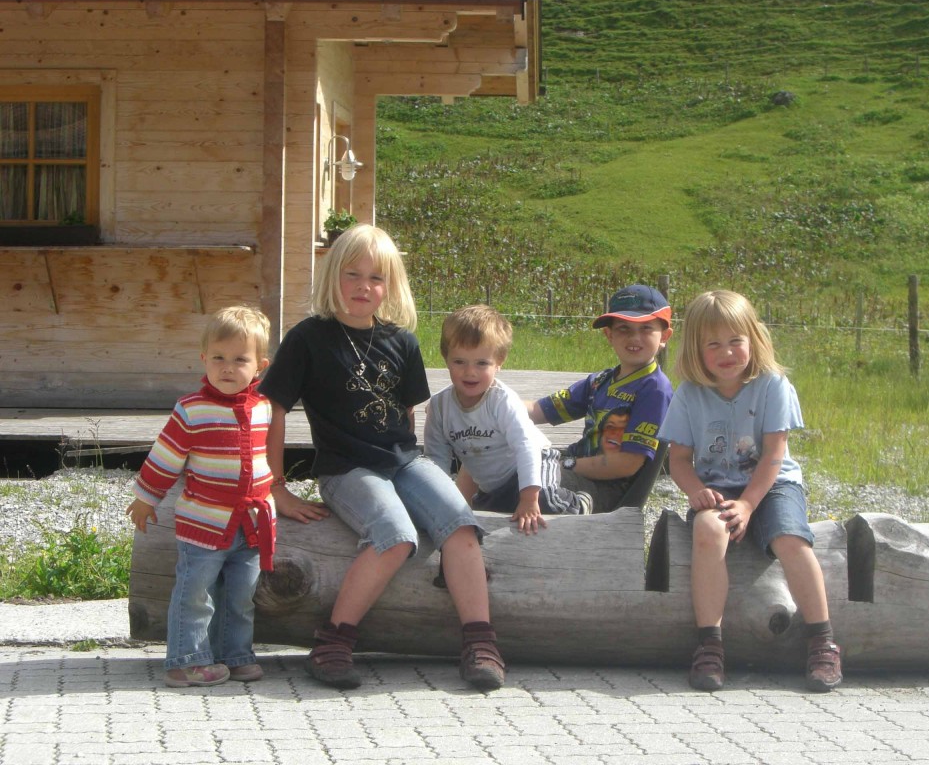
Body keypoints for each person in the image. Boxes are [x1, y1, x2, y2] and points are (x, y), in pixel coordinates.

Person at [258, 224, 504, 691]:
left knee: (461, 521)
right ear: (333, 275)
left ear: (390, 285)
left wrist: (421, 481)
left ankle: (480, 641)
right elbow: (272, 410)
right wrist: (276, 487)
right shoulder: (308, 338)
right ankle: (333, 640)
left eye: (376, 278)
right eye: (353, 274)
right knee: (394, 533)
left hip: (403, 462)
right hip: (345, 468)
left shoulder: (403, 342)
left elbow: (407, 417)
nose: (363, 287)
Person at [659, 289, 842, 693]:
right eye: (714, 344)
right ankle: (710, 644)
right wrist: (695, 492)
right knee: (707, 532)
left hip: (773, 484)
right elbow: (678, 460)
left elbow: (774, 455)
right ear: (696, 350)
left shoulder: (772, 385)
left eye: (735, 341)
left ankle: (823, 640)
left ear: (753, 339)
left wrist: (749, 503)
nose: (727, 352)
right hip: (718, 488)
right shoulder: (689, 394)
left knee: (792, 541)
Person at [126, 305, 276, 688]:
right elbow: (165, 457)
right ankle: (185, 660)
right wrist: (146, 499)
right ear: (203, 359)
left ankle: (235, 654)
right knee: (195, 593)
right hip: (204, 524)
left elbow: (264, 462)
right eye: (218, 358)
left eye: (239, 360)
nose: (228, 367)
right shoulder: (192, 410)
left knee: (241, 596)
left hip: (251, 525)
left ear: (259, 366)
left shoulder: (263, 409)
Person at [424, 305, 592, 536]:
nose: (470, 372)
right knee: (485, 520)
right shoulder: (439, 407)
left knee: (544, 501)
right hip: (493, 483)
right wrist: (438, 501)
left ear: (499, 361)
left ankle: (579, 503)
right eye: (459, 362)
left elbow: (526, 447)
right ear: (446, 358)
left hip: (535, 458)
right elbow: (436, 459)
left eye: (481, 363)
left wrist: (529, 497)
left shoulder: (502, 401)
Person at [526, 284, 674, 514]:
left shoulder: (655, 389)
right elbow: (539, 410)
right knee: (507, 468)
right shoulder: (600, 381)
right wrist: (496, 402)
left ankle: (577, 506)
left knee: (532, 488)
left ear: (664, 336)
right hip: (576, 469)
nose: (634, 337)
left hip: (606, 489)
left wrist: (567, 464)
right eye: (624, 328)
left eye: (646, 328)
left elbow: (628, 463)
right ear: (609, 335)